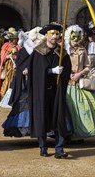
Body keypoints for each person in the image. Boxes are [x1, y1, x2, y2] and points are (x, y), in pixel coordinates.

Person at [29, 24, 72, 159]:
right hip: (42, 91)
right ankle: (43, 146)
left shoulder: (62, 53)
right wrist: (50, 71)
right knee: (42, 116)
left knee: (59, 117)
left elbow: (68, 68)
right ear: (46, 35)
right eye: (52, 34)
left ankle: (59, 148)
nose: (54, 36)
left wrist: (62, 72)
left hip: (57, 91)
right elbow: (35, 71)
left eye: (57, 34)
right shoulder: (38, 52)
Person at [64, 25, 95, 140]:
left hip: (79, 83)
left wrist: (79, 74)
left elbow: (88, 66)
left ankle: (79, 134)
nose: (75, 40)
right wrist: (67, 74)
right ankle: (68, 133)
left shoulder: (83, 50)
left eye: (77, 38)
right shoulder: (64, 51)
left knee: (85, 109)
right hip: (67, 84)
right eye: (73, 37)